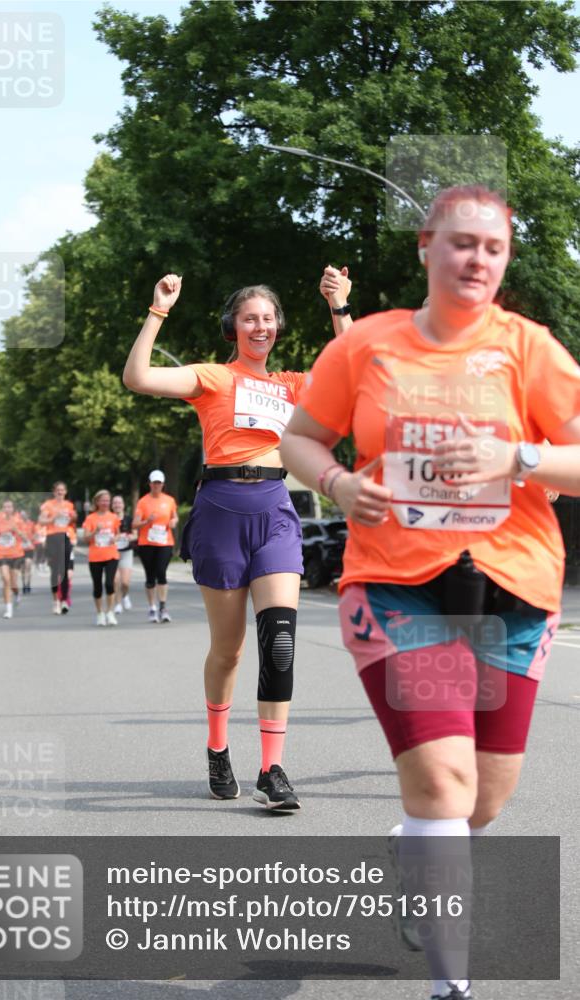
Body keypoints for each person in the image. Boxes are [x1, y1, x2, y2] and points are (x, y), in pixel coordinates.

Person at [280, 185, 580, 1000]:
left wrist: (516, 459)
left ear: (505, 259)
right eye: (460, 243)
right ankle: (453, 985)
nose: (475, 259)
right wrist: (339, 484)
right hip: (399, 588)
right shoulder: (368, 345)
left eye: (492, 247)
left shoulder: (529, 348)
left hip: (511, 587)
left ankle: (417, 845)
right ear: (425, 247)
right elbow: (300, 439)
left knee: (481, 798)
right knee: (443, 780)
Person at [123, 271, 347, 809]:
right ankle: (218, 750)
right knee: (229, 651)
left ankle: (273, 769)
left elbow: (359, 371)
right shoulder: (211, 378)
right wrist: (158, 312)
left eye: (268, 319)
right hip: (221, 511)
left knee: (281, 645)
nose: (260, 326)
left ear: (278, 328)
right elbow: (137, 378)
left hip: (274, 511)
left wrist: (341, 306)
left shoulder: (293, 384)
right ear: (233, 327)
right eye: (250, 318)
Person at [133, 471, 178, 623]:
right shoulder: (143, 502)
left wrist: (174, 522)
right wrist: (147, 521)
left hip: (165, 542)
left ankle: (163, 607)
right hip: (147, 543)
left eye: (159, 483)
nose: (156, 485)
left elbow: (174, 516)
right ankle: (152, 607)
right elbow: (135, 524)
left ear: (163, 484)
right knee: (150, 577)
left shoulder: (169, 500)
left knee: (161, 573)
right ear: (150, 484)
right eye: (154, 483)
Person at [82, 489, 121, 627]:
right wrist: (95, 531)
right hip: (95, 556)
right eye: (102, 500)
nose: (105, 503)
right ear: (97, 502)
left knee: (110, 584)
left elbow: (118, 534)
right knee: (97, 586)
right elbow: (85, 538)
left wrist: (114, 539)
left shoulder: (113, 517)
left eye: (107, 500)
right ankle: (100, 613)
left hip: (111, 555)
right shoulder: (90, 518)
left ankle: (110, 612)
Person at [39, 482, 76, 615]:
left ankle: (64, 600)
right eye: (58, 490)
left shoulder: (69, 505)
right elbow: (42, 521)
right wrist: (54, 517)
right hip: (52, 537)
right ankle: (56, 601)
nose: (60, 492)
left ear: (65, 492)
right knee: (55, 570)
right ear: (54, 492)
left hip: (65, 537)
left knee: (65, 570)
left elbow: (74, 519)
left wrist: (72, 517)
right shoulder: (48, 505)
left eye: (62, 490)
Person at [0, 499, 27, 619]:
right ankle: (8, 609)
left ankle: (17, 593)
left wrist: (16, 529)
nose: (7, 509)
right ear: (2, 509)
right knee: (5, 580)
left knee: (13, 583)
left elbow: (26, 537)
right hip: (2, 554)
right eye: (5, 507)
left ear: (13, 509)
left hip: (16, 554)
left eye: (9, 507)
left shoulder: (18, 520)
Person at [111, 494, 136, 614]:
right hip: (112, 553)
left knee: (125, 582)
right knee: (116, 580)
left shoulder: (129, 519)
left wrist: (129, 537)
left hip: (126, 552)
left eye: (119, 503)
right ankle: (117, 603)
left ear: (123, 505)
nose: (117, 505)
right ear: (112, 505)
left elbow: (136, 534)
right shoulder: (109, 519)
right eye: (115, 503)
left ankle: (125, 595)